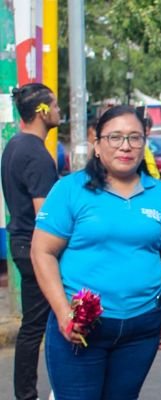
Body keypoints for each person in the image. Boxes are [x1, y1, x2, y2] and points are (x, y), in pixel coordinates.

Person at [30, 105, 161, 399]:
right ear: (97, 145)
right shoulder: (71, 189)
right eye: (115, 137)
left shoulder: (160, 194)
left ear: (144, 143)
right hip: (81, 328)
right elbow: (42, 252)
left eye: (135, 138)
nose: (125, 146)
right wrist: (63, 313)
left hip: (141, 328)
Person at [1, 82, 60, 400]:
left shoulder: (14, 145)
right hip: (36, 248)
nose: (59, 111)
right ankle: (31, 394)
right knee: (46, 324)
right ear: (41, 111)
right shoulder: (36, 155)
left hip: (20, 244)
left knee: (34, 324)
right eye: (55, 105)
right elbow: (46, 217)